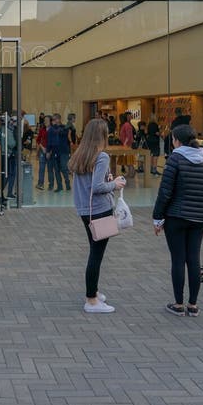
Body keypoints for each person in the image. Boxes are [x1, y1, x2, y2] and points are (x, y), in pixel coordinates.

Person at [152, 124, 203, 317]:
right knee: (194, 260)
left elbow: (165, 192)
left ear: (177, 140)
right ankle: (193, 305)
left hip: (176, 217)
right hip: (199, 218)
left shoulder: (175, 160)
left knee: (178, 259)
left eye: (172, 139)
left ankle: (178, 304)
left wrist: (157, 217)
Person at [69, 118, 127, 313]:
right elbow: (97, 186)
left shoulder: (80, 155)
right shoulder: (101, 157)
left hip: (85, 210)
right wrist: (115, 184)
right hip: (100, 210)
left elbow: (86, 185)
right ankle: (91, 299)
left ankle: (93, 292)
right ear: (102, 135)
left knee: (94, 251)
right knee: (96, 255)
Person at [48, 113, 71, 192]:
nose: (53, 121)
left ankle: (68, 184)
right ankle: (59, 186)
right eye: (52, 120)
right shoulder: (52, 128)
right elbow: (50, 140)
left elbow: (61, 133)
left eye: (54, 119)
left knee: (64, 168)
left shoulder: (64, 127)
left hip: (63, 151)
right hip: (55, 152)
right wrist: (49, 151)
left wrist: (55, 126)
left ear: (59, 119)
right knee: (56, 169)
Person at [36, 115, 52, 190]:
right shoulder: (42, 129)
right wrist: (42, 147)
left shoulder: (53, 129)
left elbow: (54, 141)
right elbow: (38, 140)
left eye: (47, 120)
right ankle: (40, 184)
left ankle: (50, 185)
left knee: (50, 169)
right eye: (45, 120)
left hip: (50, 152)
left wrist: (49, 151)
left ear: (50, 121)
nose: (45, 121)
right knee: (41, 168)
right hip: (43, 151)